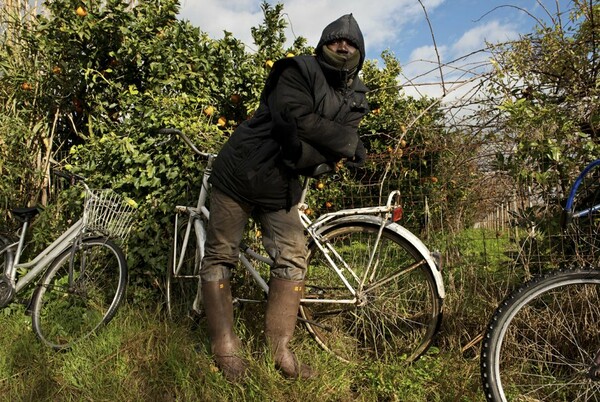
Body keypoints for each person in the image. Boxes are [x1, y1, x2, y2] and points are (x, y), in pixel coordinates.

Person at [199, 13, 369, 381]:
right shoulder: (296, 70)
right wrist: (345, 145)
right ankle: (225, 347)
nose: (343, 46)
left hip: (282, 186)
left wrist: (330, 149)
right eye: (335, 40)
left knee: (293, 258)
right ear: (323, 44)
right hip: (241, 173)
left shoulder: (357, 94)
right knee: (221, 254)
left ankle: (280, 352)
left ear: (361, 51)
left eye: (351, 43)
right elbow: (294, 120)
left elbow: (327, 143)